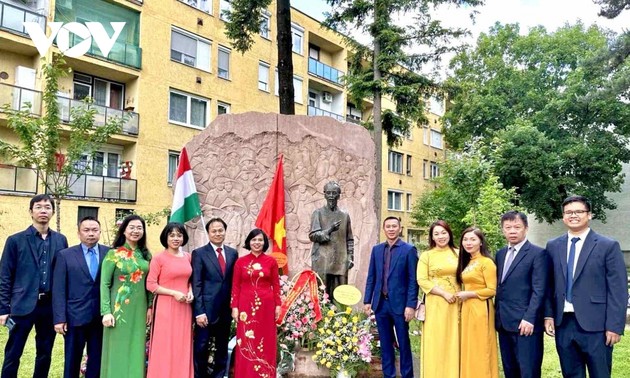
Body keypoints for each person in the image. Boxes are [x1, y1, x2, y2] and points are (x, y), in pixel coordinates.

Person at [544, 195, 628, 378]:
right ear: (563, 216)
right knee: (571, 374)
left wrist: (614, 325)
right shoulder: (552, 246)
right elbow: (549, 285)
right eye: (568, 212)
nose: (573, 215)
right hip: (563, 323)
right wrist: (549, 314)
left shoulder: (608, 246)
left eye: (579, 211)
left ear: (589, 215)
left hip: (597, 325)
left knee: (600, 374)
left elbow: (618, 289)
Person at [0, 194, 68, 378]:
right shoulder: (15, 240)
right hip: (21, 304)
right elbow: (5, 276)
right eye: (38, 207)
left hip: (49, 306)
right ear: (31, 211)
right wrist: (3, 309)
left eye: (47, 207)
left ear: (53, 212)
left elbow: (63, 275)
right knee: (13, 352)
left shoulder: (61, 240)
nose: (43, 210)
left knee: (45, 352)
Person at [52, 216, 109, 378]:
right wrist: (59, 318)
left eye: (94, 230)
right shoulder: (65, 255)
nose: (91, 234)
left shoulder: (109, 253)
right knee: (72, 360)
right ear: (78, 233)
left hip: (100, 317)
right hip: (74, 317)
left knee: (97, 359)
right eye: (86, 230)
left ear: (100, 232)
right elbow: (59, 289)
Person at [363, 216, 418, 378]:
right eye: (388, 226)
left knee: (403, 342)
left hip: (401, 305)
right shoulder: (377, 249)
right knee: (385, 344)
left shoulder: (409, 250)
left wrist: (411, 305)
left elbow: (412, 280)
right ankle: (389, 375)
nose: (391, 229)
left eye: (394, 226)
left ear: (400, 229)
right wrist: (367, 300)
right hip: (381, 304)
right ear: (384, 229)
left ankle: (407, 375)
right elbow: (371, 277)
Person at [495, 211, 548, 378]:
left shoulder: (537, 254)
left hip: (526, 324)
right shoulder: (501, 254)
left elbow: (539, 289)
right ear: (503, 230)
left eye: (517, 227)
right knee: (510, 370)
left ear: (526, 228)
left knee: (528, 371)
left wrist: (530, 318)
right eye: (508, 227)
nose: (512, 231)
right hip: (503, 322)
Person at [100, 214, 153, 377]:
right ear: (123, 230)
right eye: (132, 227)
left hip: (140, 309)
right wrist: (106, 311)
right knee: (118, 347)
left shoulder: (146, 255)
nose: (136, 231)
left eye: (139, 228)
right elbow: (104, 284)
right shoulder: (113, 254)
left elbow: (149, 284)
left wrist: (150, 307)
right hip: (118, 310)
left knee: (136, 347)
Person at [230, 229, 282, 377]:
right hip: (245, 307)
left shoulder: (271, 262)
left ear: (264, 242)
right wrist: (234, 307)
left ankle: (265, 374)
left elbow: (276, 285)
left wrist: (278, 305)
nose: (257, 243)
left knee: (266, 340)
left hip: (266, 306)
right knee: (246, 341)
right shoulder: (241, 262)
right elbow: (235, 286)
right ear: (249, 242)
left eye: (260, 240)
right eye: (254, 240)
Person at [192, 217, 238, 378]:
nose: (218, 233)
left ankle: (219, 375)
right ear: (208, 233)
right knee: (201, 347)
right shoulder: (199, 253)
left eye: (220, 230)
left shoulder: (233, 253)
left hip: (225, 310)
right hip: (206, 310)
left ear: (225, 232)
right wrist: (199, 312)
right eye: (214, 231)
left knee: (222, 347)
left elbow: (234, 282)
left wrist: (234, 307)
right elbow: (196, 283)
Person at [147, 222, 194, 378]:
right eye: (172, 235)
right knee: (165, 345)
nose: (176, 238)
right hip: (165, 307)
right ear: (165, 237)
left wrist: (191, 291)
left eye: (179, 235)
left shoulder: (188, 257)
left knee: (182, 344)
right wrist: (173, 293)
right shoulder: (159, 258)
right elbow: (151, 284)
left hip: (184, 308)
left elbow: (190, 280)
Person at [416, 220, 459, 378]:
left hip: (457, 304)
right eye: (437, 234)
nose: (441, 236)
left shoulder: (459, 253)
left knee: (455, 341)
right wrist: (443, 293)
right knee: (436, 341)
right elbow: (422, 280)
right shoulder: (426, 256)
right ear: (432, 237)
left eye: (444, 232)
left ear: (449, 233)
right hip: (436, 303)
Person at [455, 227, 498, 378]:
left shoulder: (486, 262)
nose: (468, 243)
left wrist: (470, 294)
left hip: (481, 309)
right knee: (469, 346)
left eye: (473, 239)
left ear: (480, 242)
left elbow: (492, 290)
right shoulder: (467, 262)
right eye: (465, 240)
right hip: (467, 309)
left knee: (481, 346)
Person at [309, 181, 354, 299]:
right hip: (322, 260)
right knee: (322, 295)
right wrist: (329, 230)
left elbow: (350, 239)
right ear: (324, 194)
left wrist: (350, 257)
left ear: (339, 195)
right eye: (328, 193)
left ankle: (342, 318)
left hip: (340, 260)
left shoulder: (345, 215)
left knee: (341, 297)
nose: (331, 196)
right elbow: (313, 236)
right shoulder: (318, 213)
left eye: (334, 193)